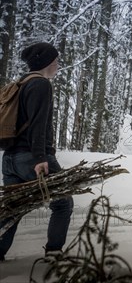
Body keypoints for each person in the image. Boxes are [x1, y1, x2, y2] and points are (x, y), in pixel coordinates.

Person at [0, 42, 73, 261]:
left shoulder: (20, 83)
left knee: (14, 208)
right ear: (48, 63)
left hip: (10, 159)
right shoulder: (41, 84)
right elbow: (37, 125)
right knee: (62, 202)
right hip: (31, 157)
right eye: (56, 61)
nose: (58, 65)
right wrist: (41, 158)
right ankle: (53, 252)